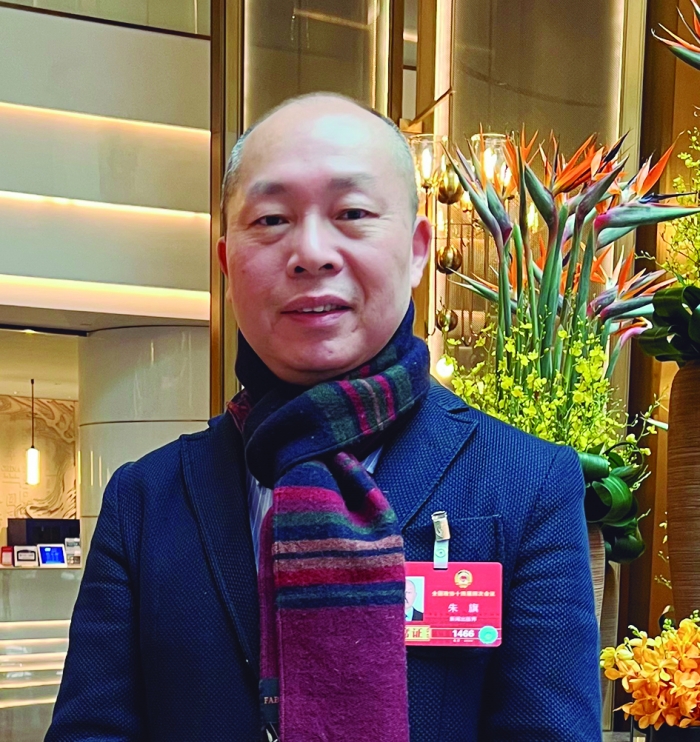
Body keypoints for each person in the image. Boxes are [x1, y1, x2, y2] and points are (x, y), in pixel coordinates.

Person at [45, 93, 601, 742]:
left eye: (352, 213)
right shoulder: (145, 501)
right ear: (226, 264)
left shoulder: (528, 484)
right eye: (272, 219)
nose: (311, 252)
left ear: (417, 250)